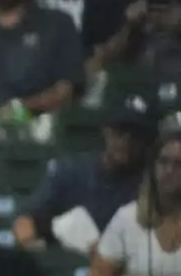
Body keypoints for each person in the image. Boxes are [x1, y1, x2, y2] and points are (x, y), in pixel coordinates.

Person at [14, 94, 156, 250]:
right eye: (120, 132)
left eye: (136, 136)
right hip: (67, 261)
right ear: (106, 131)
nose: (126, 142)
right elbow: (25, 223)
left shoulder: (150, 185)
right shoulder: (71, 171)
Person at [87, 129, 181, 276]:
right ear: (153, 168)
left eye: (179, 164)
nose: (170, 170)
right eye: (163, 162)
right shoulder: (127, 218)